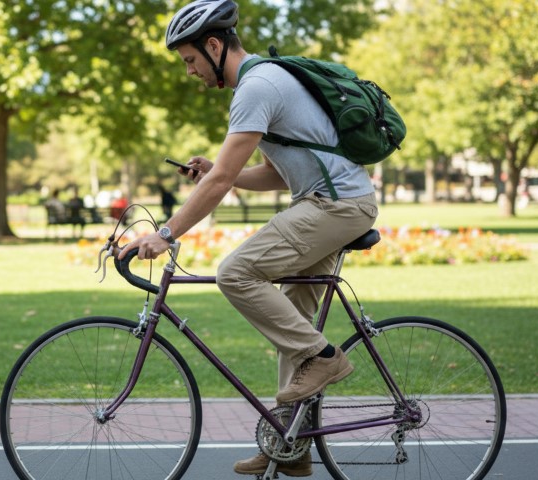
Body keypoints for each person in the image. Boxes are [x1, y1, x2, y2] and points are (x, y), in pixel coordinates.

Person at [119, 1, 378, 476]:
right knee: (292, 318)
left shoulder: (256, 87)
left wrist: (166, 232)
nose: (191, 72)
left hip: (337, 206)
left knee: (235, 272)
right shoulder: (269, 79)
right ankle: (291, 444)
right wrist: (218, 172)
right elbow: (272, 175)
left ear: (214, 45)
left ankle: (327, 359)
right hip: (331, 202)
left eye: (191, 60)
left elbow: (218, 184)